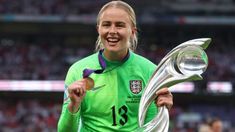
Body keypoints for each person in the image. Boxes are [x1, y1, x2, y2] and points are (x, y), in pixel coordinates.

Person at [58, 1, 173, 131]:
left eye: (120, 25)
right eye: (106, 25)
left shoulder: (150, 71)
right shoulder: (77, 70)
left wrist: (162, 113)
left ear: (132, 31)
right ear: (98, 29)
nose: (112, 31)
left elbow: (152, 128)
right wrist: (73, 105)